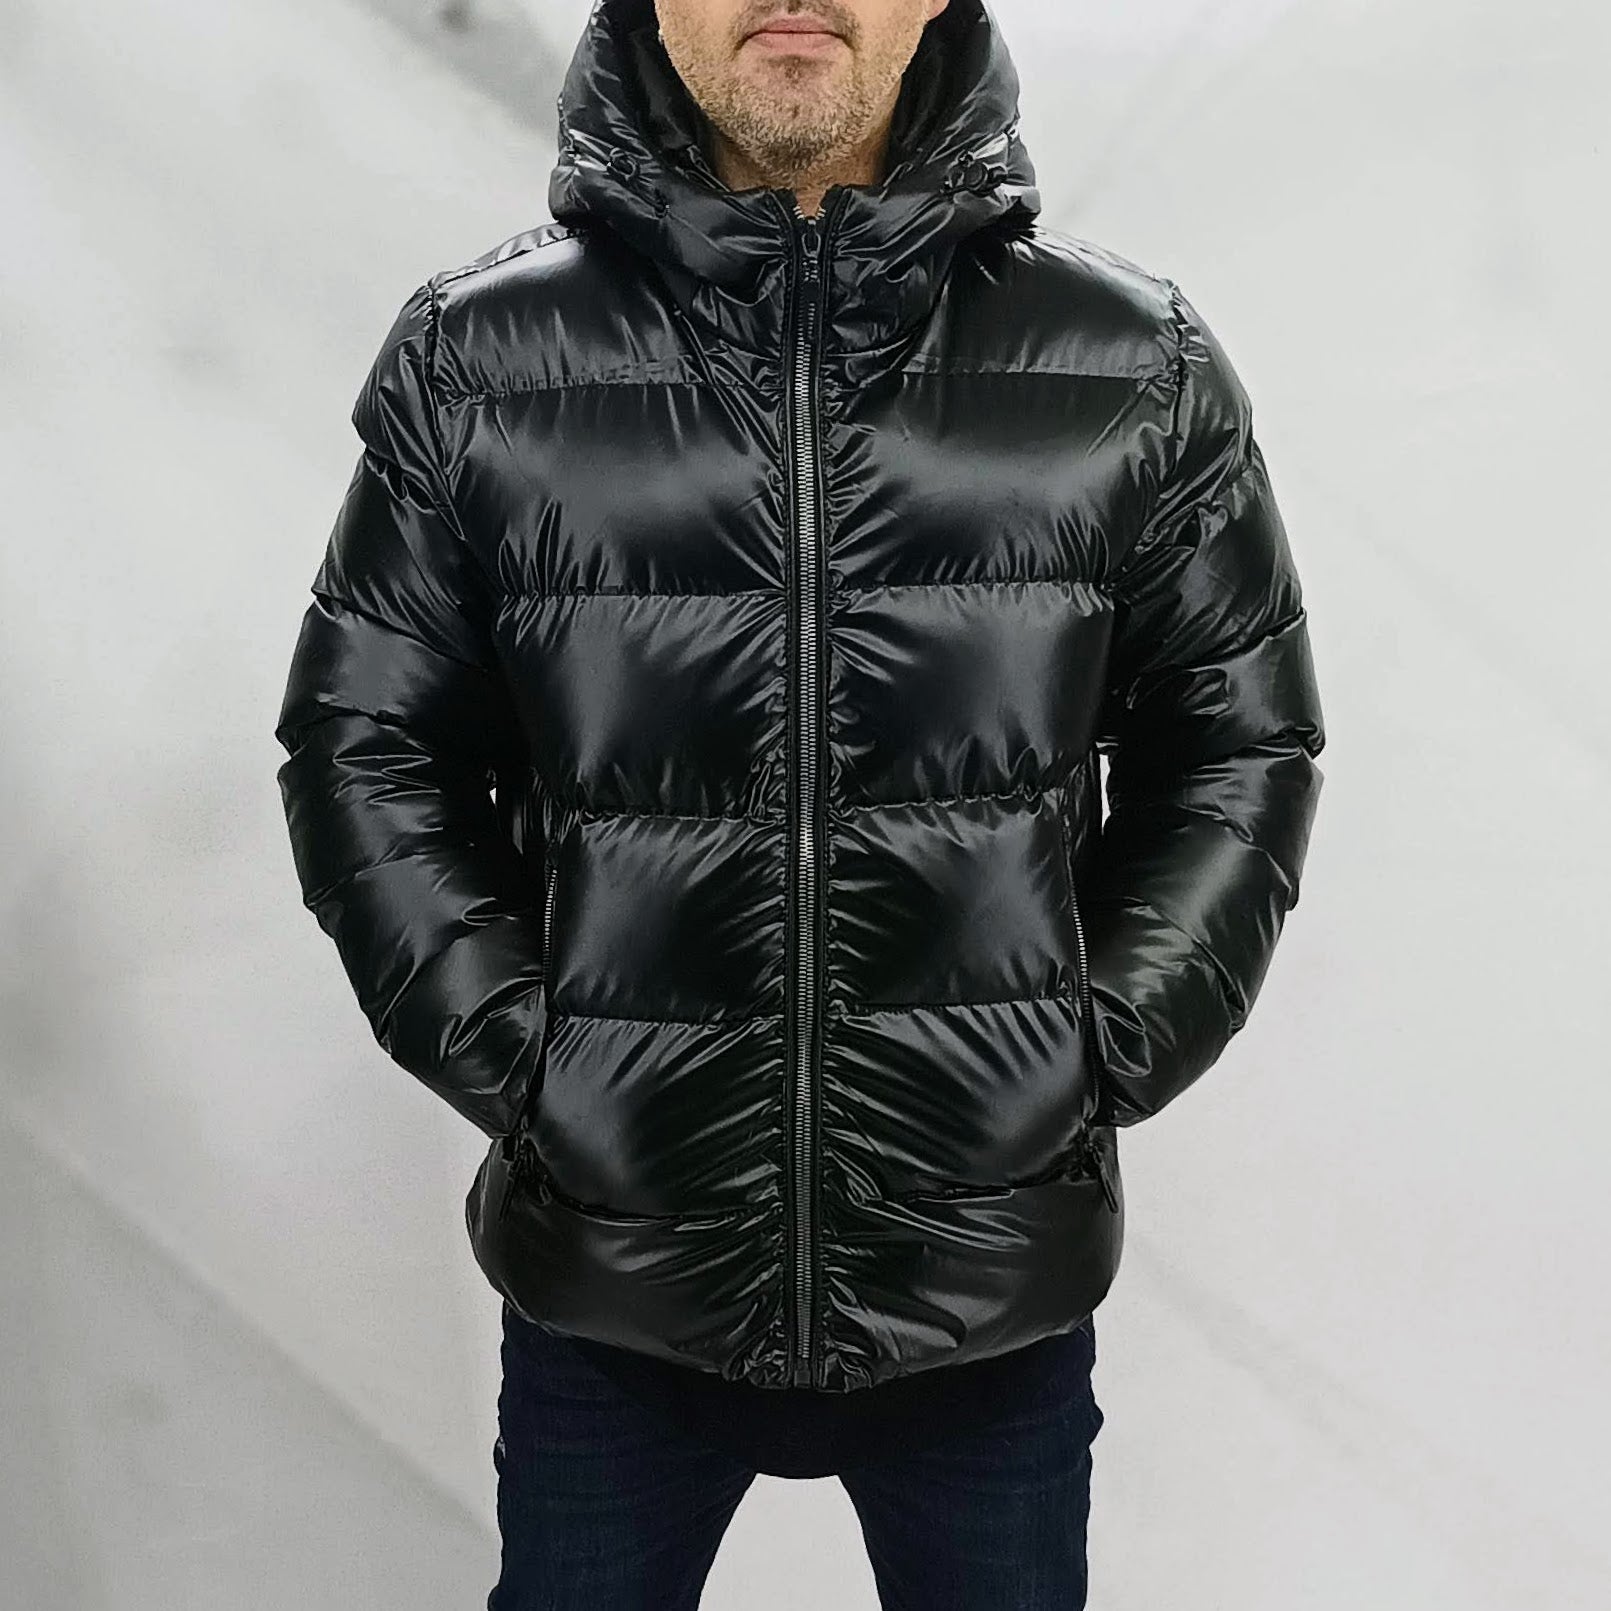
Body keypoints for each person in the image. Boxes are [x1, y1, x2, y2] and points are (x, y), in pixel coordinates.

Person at [272, 0, 1327, 1604]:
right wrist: (538, 1069)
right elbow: (368, 744)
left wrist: (1094, 1049)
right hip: (612, 1285)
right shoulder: (475, 362)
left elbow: (1237, 744)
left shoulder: (1133, 366)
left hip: (987, 1286)